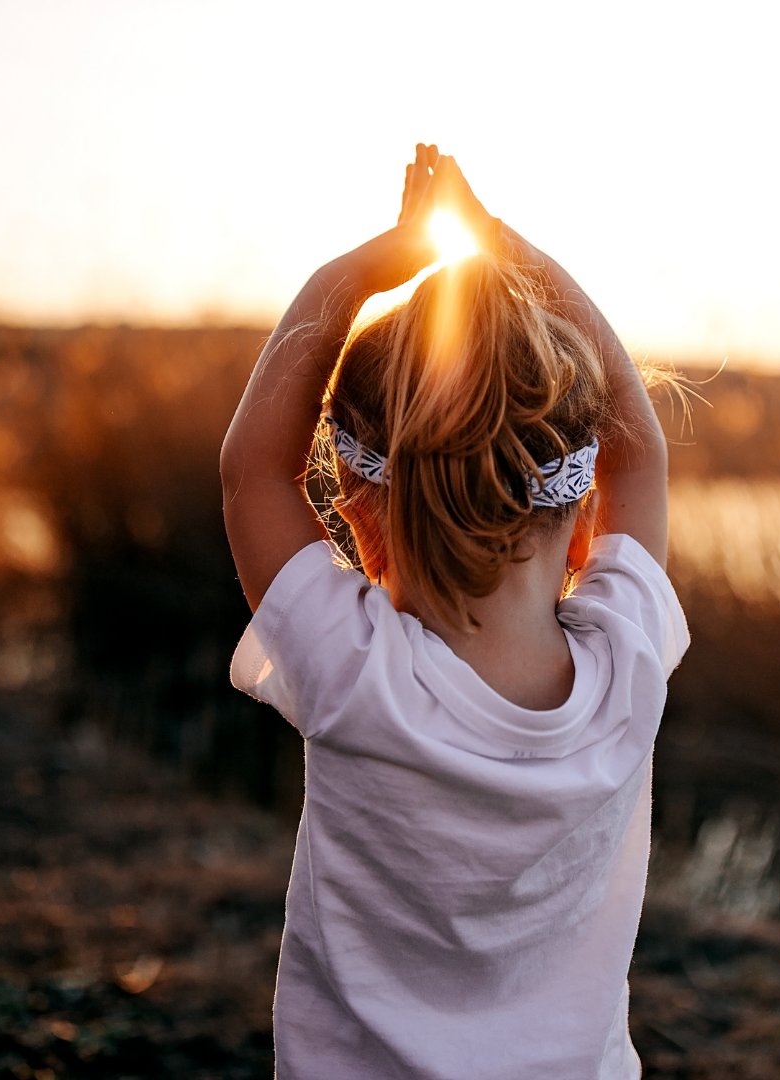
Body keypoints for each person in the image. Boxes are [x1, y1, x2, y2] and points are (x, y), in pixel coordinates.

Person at [221, 144, 690, 1079]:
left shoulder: (355, 672)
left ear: (354, 499)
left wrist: (356, 274)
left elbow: (250, 470)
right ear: (581, 507)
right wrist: (509, 250)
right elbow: (641, 456)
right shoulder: (628, 665)